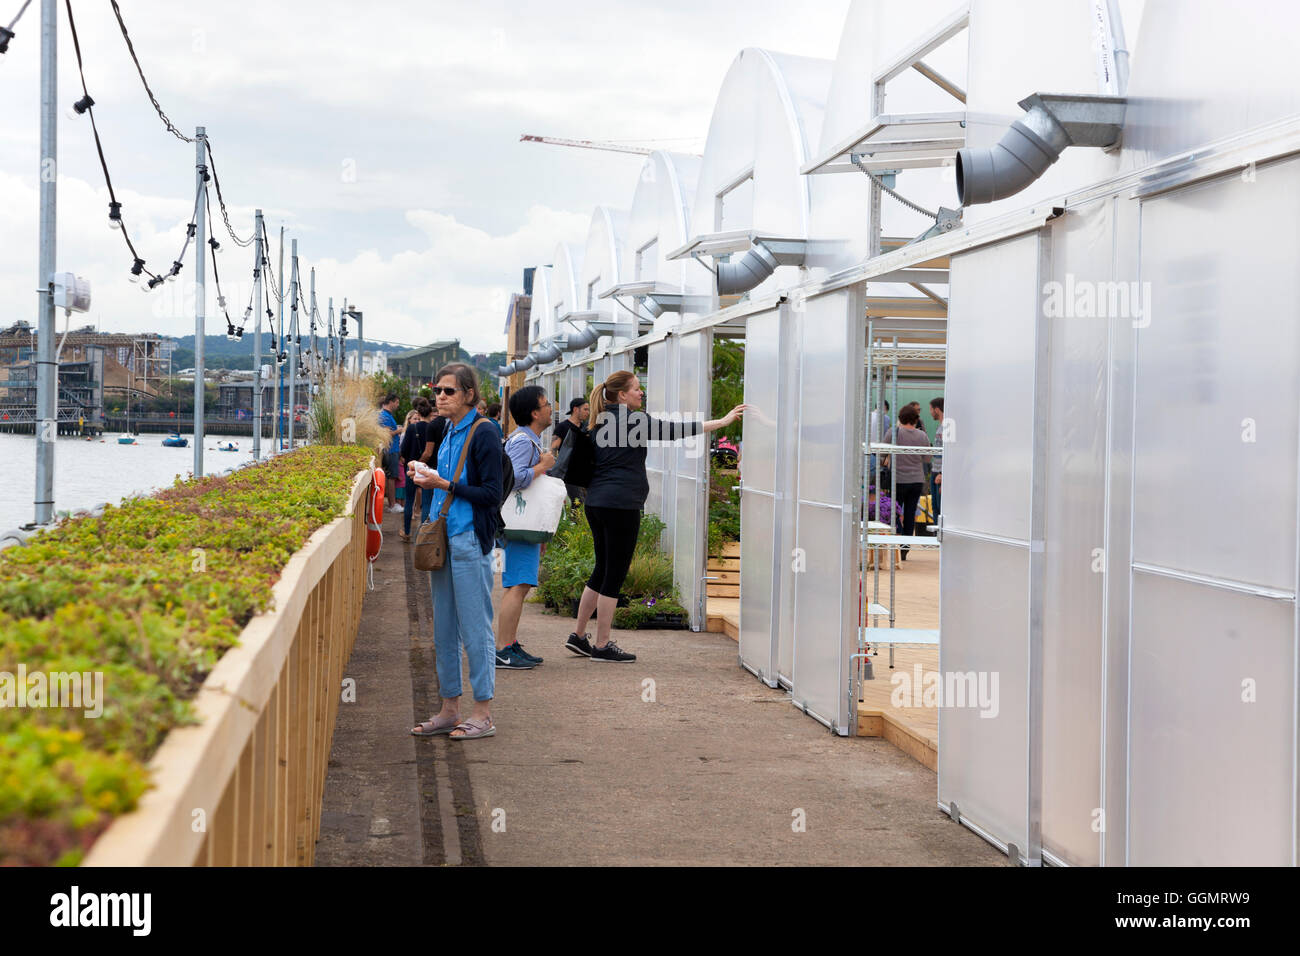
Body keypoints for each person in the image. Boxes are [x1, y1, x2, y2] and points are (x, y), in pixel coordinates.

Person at [565, 370, 745, 662]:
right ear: (622, 395)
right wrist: (722, 422)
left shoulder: (597, 421)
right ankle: (601, 645)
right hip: (621, 505)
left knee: (601, 569)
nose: (641, 393)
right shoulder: (636, 421)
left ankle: (579, 635)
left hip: (595, 503)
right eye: (636, 388)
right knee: (614, 574)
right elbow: (678, 430)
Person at [409, 364, 504, 741]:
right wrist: (426, 474)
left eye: (448, 391)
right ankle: (450, 708)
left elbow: (492, 495)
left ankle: (483, 712)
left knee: (475, 627)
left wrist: (441, 482)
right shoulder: (448, 429)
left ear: (468, 393)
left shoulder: (485, 432)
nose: (440, 397)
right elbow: (450, 485)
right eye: (437, 391)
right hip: (443, 540)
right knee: (444, 628)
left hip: (467, 540)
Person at [495, 386, 556, 670]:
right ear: (534, 412)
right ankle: (504, 648)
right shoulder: (523, 442)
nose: (550, 408)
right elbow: (516, 478)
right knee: (517, 585)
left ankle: (510, 643)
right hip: (517, 525)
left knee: (520, 584)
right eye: (546, 404)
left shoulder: (526, 439)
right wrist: (543, 465)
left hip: (522, 525)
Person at [882, 405, 932, 561]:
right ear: (915, 419)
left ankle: (896, 541)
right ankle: (905, 546)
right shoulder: (922, 435)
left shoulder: (893, 433)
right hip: (916, 479)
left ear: (900, 418)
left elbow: (882, 453)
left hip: (898, 479)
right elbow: (927, 458)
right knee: (910, 513)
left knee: (894, 511)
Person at [398, 397, 440, 541]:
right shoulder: (433, 428)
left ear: (419, 413)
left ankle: (407, 531)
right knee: (427, 503)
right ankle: (423, 535)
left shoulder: (411, 428)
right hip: (429, 469)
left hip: (411, 469)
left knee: (409, 500)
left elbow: (403, 450)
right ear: (430, 413)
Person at [551, 396, 591, 504]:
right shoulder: (562, 427)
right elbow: (553, 450)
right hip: (568, 473)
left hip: (585, 473)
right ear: (575, 409)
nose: (588, 412)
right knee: (576, 503)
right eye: (585, 409)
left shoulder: (587, 428)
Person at [378, 393, 404, 509]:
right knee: (391, 477)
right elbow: (386, 434)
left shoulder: (387, 415)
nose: (398, 405)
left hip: (392, 449)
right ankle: (392, 505)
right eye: (397, 402)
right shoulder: (385, 416)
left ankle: (393, 504)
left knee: (392, 477)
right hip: (390, 449)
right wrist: (398, 431)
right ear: (391, 402)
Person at [929, 397, 944, 519]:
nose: (930, 412)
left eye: (931, 409)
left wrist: (942, 473)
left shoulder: (948, 426)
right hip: (935, 471)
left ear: (937, 409)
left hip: (940, 474)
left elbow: (952, 452)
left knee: (939, 508)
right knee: (935, 507)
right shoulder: (940, 427)